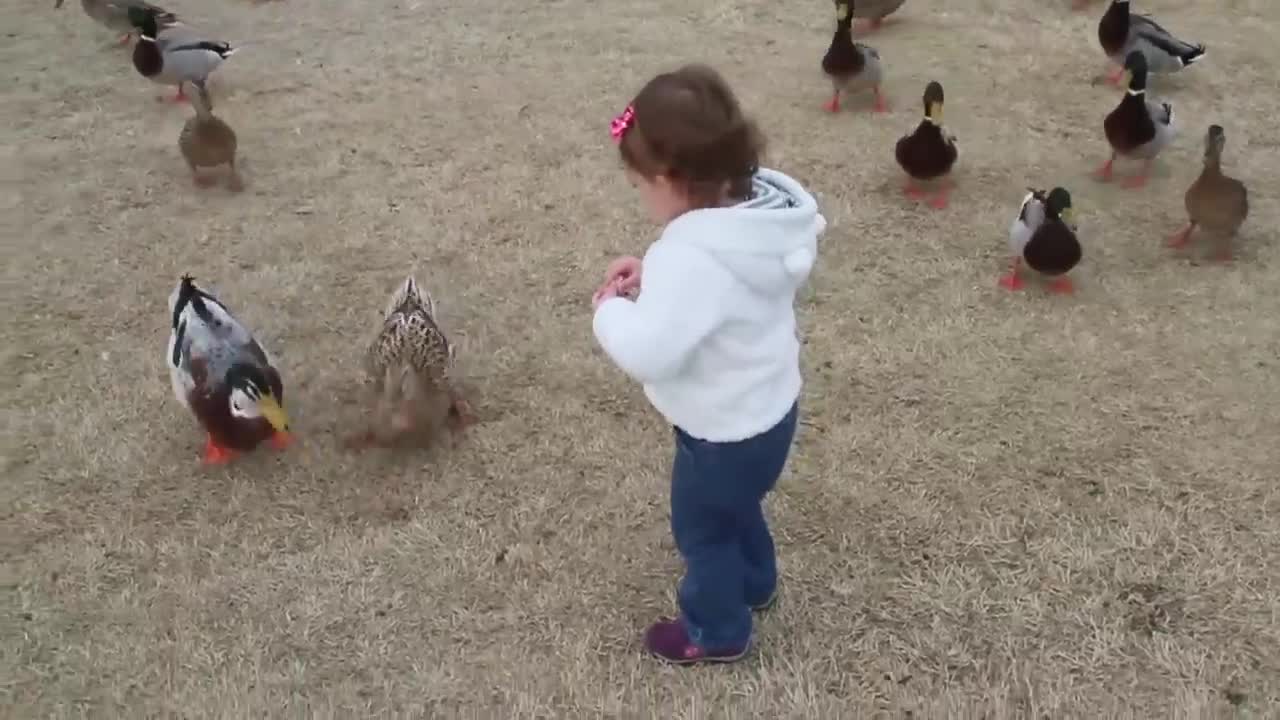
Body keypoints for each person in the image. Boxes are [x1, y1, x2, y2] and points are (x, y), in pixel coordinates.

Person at [590, 64, 827, 665]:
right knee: (739, 504)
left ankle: (715, 630)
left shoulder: (692, 256)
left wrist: (609, 314)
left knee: (703, 530)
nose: (641, 195)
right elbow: (722, 297)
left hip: (719, 432)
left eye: (641, 183)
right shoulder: (761, 221)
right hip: (770, 413)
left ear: (670, 178)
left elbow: (652, 350)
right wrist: (654, 279)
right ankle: (757, 582)